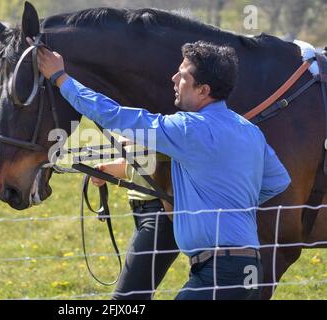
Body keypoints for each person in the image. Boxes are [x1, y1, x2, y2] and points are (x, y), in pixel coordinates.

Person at [35, 40, 291, 300]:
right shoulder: (250, 131)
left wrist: (60, 78)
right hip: (248, 270)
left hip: (219, 272)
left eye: (182, 75)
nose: (173, 78)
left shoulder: (187, 129)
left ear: (203, 90)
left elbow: (114, 116)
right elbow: (278, 181)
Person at [90, 139, 178, 300]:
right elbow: (132, 164)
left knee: (127, 298)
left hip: (161, 212)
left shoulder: (160, 118)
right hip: (143, 212)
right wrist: (106, 169)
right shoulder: (135, 120)